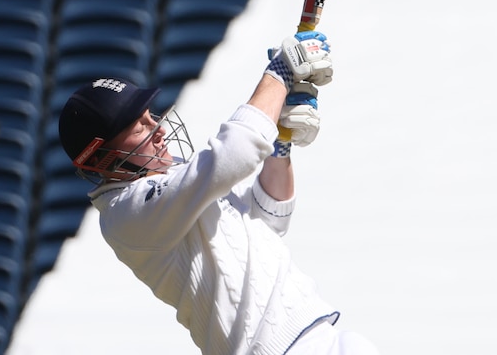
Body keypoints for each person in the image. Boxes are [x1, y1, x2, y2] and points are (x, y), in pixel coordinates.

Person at [57, 31, 379, 355]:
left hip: (322, 334)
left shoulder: (177, 183)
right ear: (100, 158)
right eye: (139, 127)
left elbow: (268, 220)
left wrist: (279, 146)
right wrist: (279, 74)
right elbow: (235, 153)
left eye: (150, 116)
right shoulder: (126, 213)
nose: (159, 129)